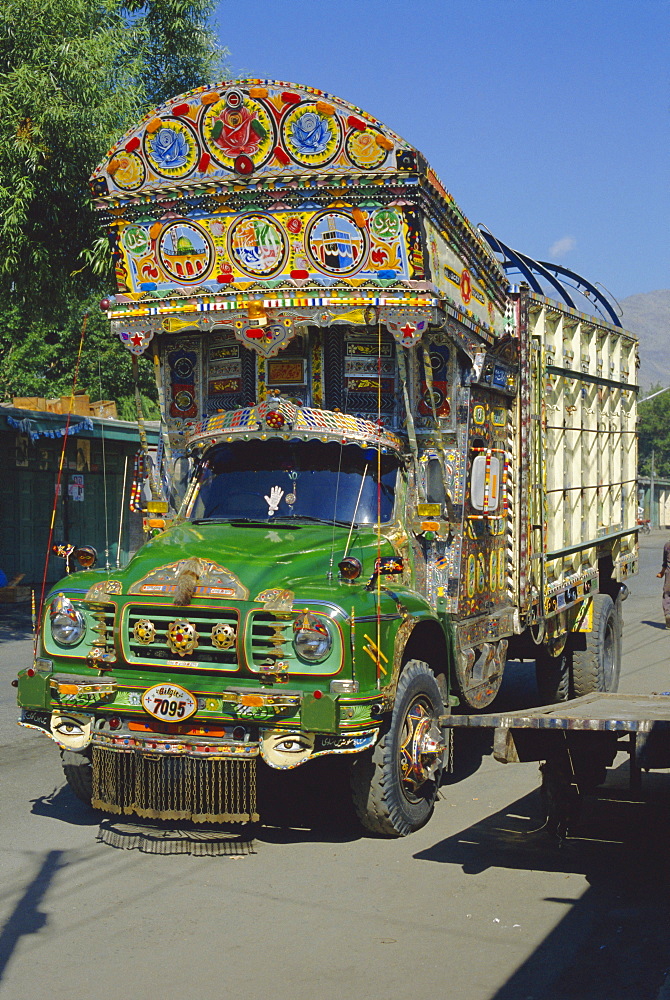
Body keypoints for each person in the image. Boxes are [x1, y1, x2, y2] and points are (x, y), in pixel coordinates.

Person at [656, 539, 670, 628]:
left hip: (669, 574)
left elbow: (665, 563)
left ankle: (668, 613)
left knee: (667, 594)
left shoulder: (667, 545)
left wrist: (661, 573)